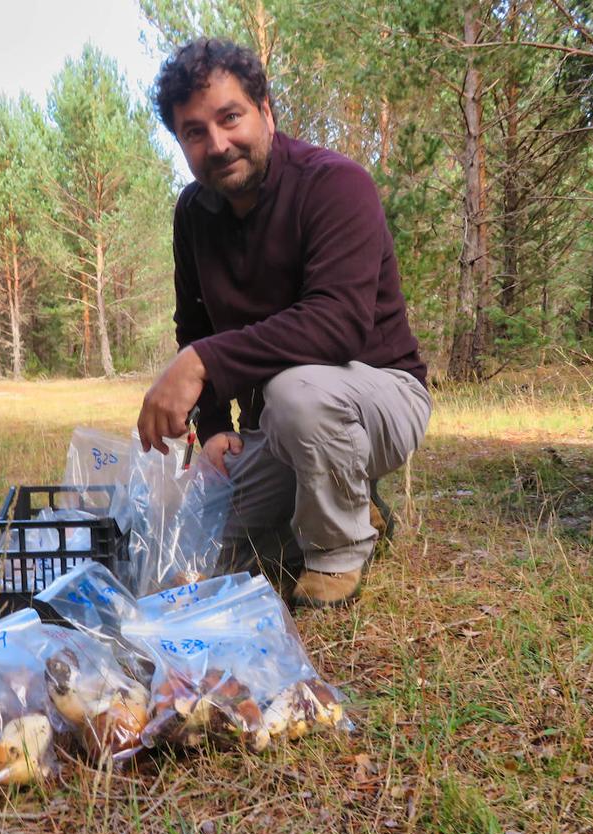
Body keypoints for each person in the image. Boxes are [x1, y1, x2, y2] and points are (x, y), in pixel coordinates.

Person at [136, 37, 431, 607]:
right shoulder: (193, 213)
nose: (218, 145)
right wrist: (216, 423)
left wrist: (200, 365)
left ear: (266, 111)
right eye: (195, 132)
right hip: (279, 425)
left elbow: (337, 325)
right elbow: (195, 324)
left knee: (295, 391)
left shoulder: (336, 185)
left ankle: (337, 552)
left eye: (230, 118)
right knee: (200, 545)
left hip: (382, 397)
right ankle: (355, 507)